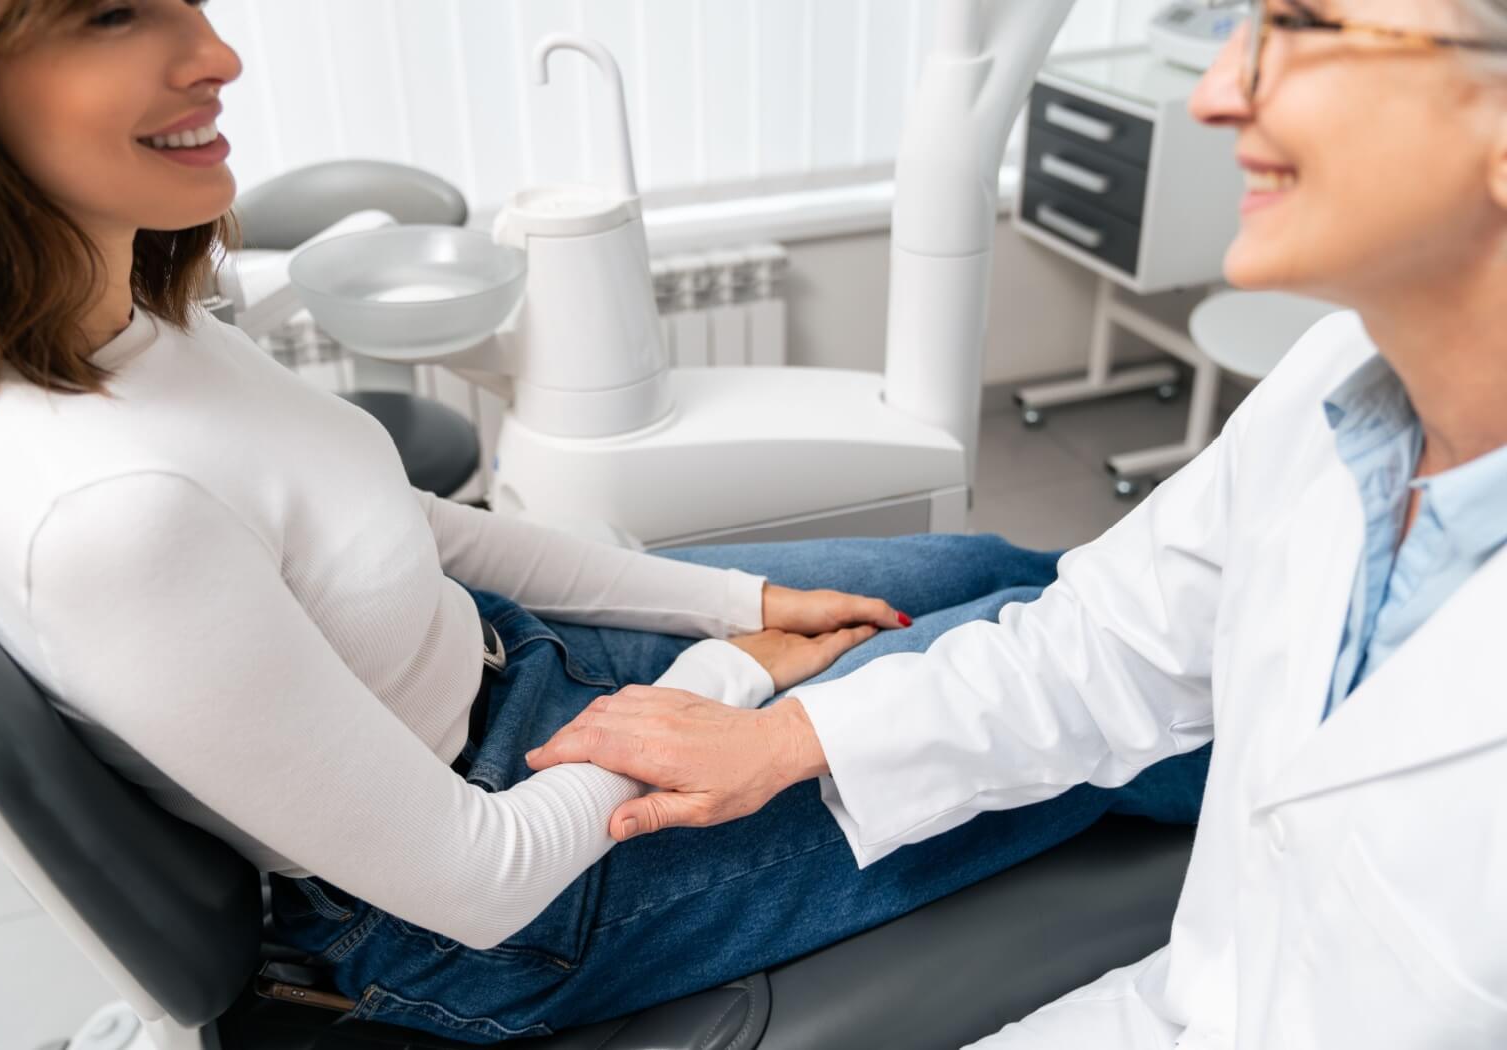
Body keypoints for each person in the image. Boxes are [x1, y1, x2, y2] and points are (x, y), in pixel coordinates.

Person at [0, 0, 1210, 1043]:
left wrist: (734, 605)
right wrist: (731, 680)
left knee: (994, 571)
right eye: (111, 14)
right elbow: (476, 879)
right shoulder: (101, 509)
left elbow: (406, 522)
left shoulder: (123, 317)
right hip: (514, 902)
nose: (218, 50)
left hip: (528, 672)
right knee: (1106, 700)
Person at [528, 1, 1507, 1046]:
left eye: (1304, 27)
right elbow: (1107, 644)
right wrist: (787, 735)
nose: (1219, 92)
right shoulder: (1324, 398)